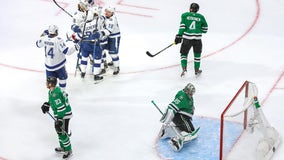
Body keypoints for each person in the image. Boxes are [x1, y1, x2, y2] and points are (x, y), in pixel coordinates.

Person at [158, 83, 199, 152]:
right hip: (180, 116)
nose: (192, 94)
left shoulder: (189, 96)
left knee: (192, 131)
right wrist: (167, 121)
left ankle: (167, 132)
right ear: (187, 90)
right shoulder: (182, 97)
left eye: (193, 92)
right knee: (190, 132)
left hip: (184, 117)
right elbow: (171, 107)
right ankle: (176, 141)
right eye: (191, 92)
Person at [36, 25, 79, 91]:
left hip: (49, 66)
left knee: (51, 83)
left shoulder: (44, 38)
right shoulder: (58, 40)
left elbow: (37, 44)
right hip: (59, 65)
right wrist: (76, 47)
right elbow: (67, 52)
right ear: (56, 31)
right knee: (62, 79)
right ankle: (63, 94)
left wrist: (42, 35)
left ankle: (52, 97)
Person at [41, 76, 73, 159]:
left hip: (64, 115)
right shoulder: (53, 91)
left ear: (51, 84)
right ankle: (63, 147)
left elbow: (61, 107)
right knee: (59, 131)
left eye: (47, 82)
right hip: (60, 114)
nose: (46, 83)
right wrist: (47, 104)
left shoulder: (56, 94)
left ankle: (68, 150)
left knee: (62, 132)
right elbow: (53, 101)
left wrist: (60, 120)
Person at [174, 3, 208, 77]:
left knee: (183, 54)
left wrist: (179, 35)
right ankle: (196, 70)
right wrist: (198, 29)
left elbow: (182, 27)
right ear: (197, 10)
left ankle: (184, 69)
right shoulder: (201, 17)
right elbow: (205, 30)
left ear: (190, 8)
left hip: (187, 39)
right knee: (197, 55)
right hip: (197, 40)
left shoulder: (185, 15)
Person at [101, 5, 121, 75]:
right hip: (108, 37)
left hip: (114, 37)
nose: (106, 13)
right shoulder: (105, 16)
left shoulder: (112, 20)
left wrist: (100, 33)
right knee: (103, 50)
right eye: (106, 11)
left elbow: (108, 31)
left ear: (112, 13)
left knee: (113, 53)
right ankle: (106, 63)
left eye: (108, 12)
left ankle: (117, 67)